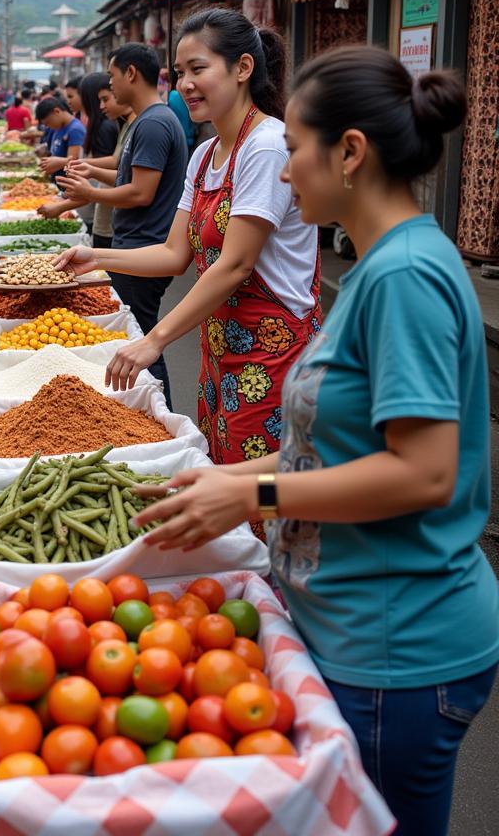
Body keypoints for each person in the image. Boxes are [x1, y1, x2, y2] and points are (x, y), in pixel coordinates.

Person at [133, 46, 498, 836]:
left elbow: (425, 473)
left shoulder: (404, 277)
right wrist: (222, 484)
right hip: (354, 626)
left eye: (296, 147)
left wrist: (253, 491)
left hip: (399, 643)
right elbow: (339, 447)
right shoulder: (376, 268)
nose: (287, 169)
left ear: (351, 153)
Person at [59, 15, 318, 452]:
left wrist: (153, 340)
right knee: (223, 473)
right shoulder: (204, 155)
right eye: (179, 73)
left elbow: (235, 264)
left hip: (273, 352)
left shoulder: (267, 146)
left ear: (242, 68)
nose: (185, 84)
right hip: (219, 345)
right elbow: (175, 253)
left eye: (199, 69)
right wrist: (97, 259)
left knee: (262, 493)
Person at [55, 43, 188, 404]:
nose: (109, 86)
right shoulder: (143, 122)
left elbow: (141, 193)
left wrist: (89, 192)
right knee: (137, 338)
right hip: (136, 244)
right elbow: (129, 177)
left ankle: (159, 413)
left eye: (112, 76)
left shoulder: (155, 123)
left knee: (142, 343)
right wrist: (93, 173)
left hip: (145, 247)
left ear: (131, 73)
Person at [39, 72, 125, 236]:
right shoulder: (97, 124)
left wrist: (67, 163)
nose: (68, 101)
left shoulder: (104, 126)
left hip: (104, 211)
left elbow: (114, 167)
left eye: (72, 96)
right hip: (96, 206)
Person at [35, 95, 85, 176]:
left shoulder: (75, 129)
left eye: (48, 123)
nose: (48, 126)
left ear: (57, 112)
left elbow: (74, 161)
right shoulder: (58, 127)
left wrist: (57, 163)